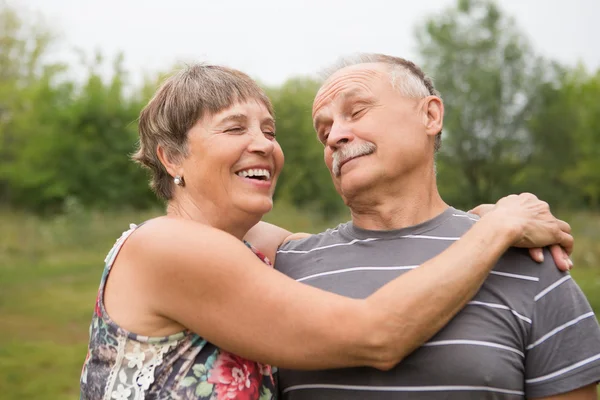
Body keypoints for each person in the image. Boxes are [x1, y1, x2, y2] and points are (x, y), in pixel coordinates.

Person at [80, 64, 574, 400]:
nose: (263, 145)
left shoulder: (253, 247)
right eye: (235, 129)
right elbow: (375, 334)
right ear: (172, 158)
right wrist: (499, 228)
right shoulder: (166, 247)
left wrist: (477, 218)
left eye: (269, 132)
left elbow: (378, 240)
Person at [268, 54, 600, 399]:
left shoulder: (530, 262)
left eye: (357, 112)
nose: (335, 135)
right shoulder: (283, 268)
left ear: (430, 115)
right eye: (324, 132)